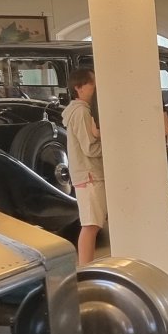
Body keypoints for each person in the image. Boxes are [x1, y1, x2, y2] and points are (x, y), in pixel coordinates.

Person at [63, 67, 106, 265]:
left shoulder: (78, 110)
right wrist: (109, 145)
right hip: (90, 175)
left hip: (86, 174)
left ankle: (86, 267)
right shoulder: (81, 112)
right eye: (91, 83)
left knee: (92, 224)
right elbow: (90, 148)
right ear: (78, 87)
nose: (95, 87)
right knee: (91, 225)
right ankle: (85, 268)